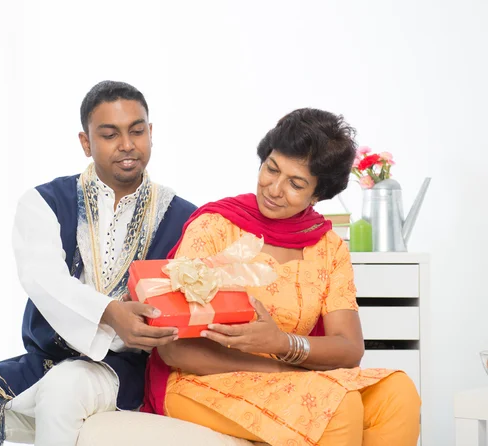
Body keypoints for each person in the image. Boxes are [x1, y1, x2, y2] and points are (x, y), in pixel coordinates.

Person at [0, 80, 196, 446]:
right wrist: (110, 313)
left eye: (137, 131)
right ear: (86, 142)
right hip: (47, 358)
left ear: (151, 133)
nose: (127, 144)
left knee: (64, 388)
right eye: (109, 134)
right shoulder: (44, 201)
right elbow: (44, 279)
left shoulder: (185, 217)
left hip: (127, 368)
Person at [144, 108, 421, 446]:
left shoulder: (328, 247)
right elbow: (176, 351)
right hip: (203, 379)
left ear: (317, 195)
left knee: (397, 392)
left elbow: (349, 349)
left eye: (295, 183)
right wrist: (286, 372)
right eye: (271, 169)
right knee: (334, 404)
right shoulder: (216, 227)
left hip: (293, 376)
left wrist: (281, 344)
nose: (274, 189)